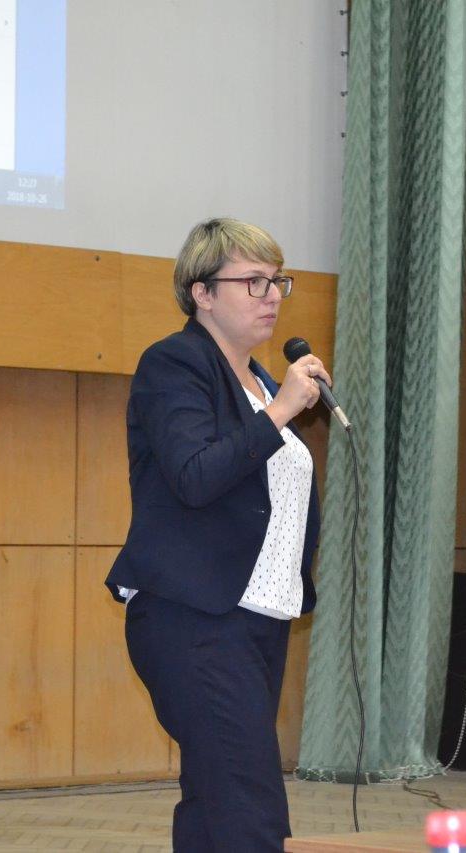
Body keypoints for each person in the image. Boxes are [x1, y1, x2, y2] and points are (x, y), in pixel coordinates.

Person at [105, 217, 329, 851]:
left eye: (277, 281)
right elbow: (195, 476)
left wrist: (276, 404)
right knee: (250, 808)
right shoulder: (175, 364)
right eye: (252, 281)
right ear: (201, 292)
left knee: (215, 804)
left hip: (259, 619)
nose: (272, 295)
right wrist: (282, 412)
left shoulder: (260, 382)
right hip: (194, 619)